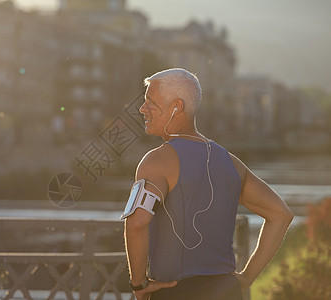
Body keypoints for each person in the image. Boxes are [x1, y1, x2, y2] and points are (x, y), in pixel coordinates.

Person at [122, 68, 294, 300]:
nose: (142, 109)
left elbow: (137, 223)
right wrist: (247, 277)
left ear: (177, 107)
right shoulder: (232, 163)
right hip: (227, 290)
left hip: (176, 291)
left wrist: (139, 284)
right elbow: (280, 214)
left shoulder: (156, 161)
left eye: (150, 102)